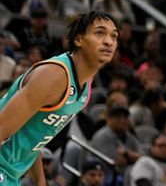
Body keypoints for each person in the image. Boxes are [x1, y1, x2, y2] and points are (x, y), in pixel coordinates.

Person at [0, 11, 118, 185]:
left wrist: (41, 182)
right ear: (78, 40)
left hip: (12, 174)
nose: (109, 41)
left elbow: (35, 141)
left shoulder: (84, 89)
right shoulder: (54, 76)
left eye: (114, 36)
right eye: (99, 33)